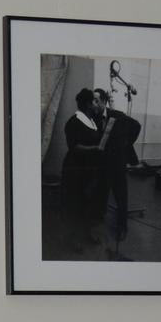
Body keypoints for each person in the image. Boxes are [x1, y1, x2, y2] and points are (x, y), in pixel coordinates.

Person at [93, 90, 143, 257]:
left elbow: (136, 126)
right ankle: (99, 223)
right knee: (102, 193)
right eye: (92, 100)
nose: (93, 104)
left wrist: (126, 144)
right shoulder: (92, 118)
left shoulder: (118, 116)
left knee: (121, 197)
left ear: (104, 102)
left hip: (117, 164)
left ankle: (122, 228)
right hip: (102, 165)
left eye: (96, 100)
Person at [60, 88, 104, 253]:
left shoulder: (93, 120)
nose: (95, 103)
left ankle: (87, 234)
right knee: (75, 205)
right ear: (86, 103)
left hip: (89, 170)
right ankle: (74, 239)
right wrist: (95, 149)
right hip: (75, 169)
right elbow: (74, 147)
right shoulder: (74, 121)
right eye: (93, 101)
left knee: (88, 204)